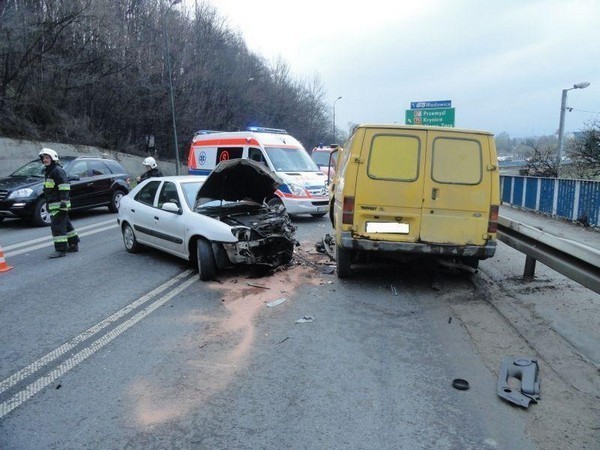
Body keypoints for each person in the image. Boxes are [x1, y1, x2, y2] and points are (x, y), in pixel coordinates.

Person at [40, 148, 79, 258]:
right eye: (43, 158)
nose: (45, 160)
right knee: (66, 225)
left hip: (59, 204)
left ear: (53, 158)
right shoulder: (50, 171)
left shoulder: (56, 170)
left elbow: (64, 187)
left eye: (47, 157)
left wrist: (63, 202)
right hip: (55, 203)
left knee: (57, 227)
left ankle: (60, 250)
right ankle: (73, 244)